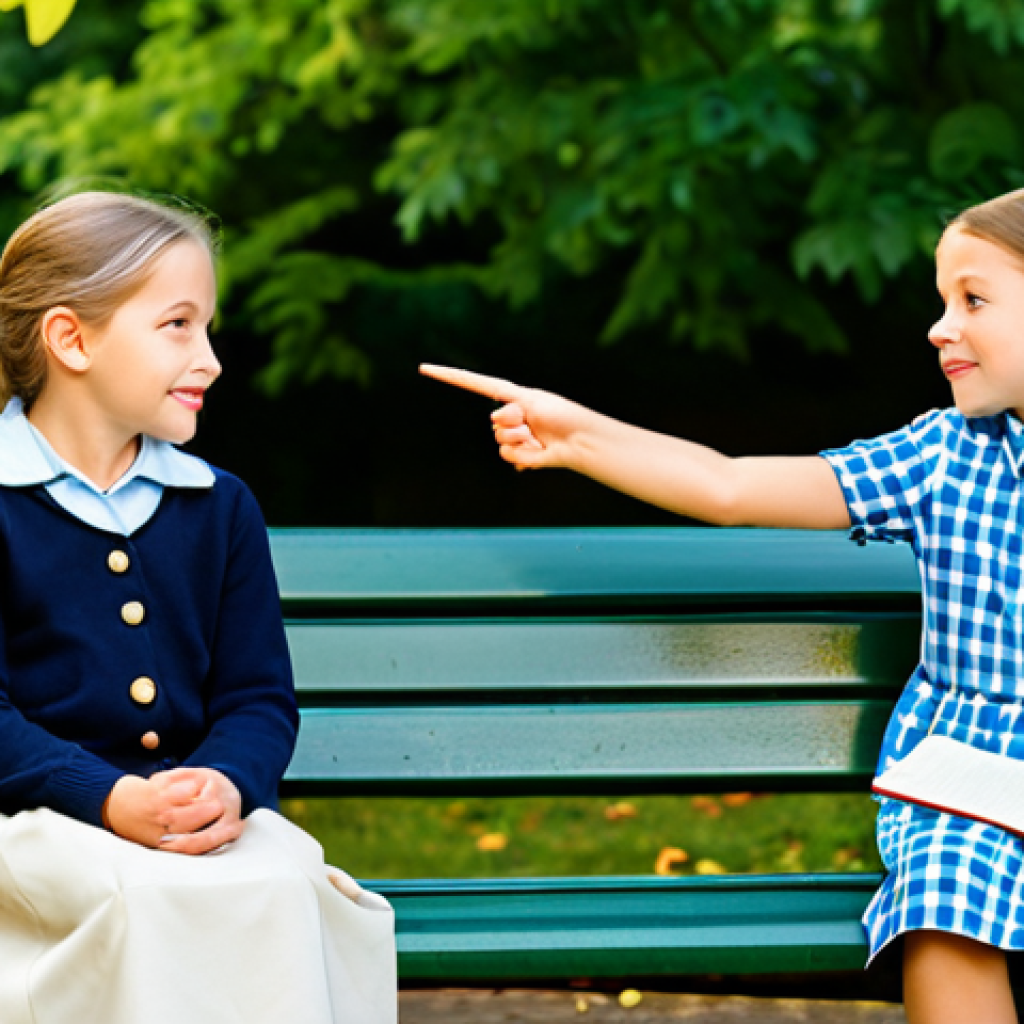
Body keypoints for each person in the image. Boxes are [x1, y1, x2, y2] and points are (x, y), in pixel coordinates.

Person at [421, 188, 1024, 1024]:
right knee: (947, 900)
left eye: (973, 299)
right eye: (941, 300)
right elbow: (730, 485)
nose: (939, 327)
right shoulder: (941, 455)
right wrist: (581, 435)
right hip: (968, 783)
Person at [0, 190, 396, 1024]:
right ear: (71, 339)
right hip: (35, 826)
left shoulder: (220, 507)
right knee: (141, 895)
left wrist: (225, 780)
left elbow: (256, 698)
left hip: (196, 820)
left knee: (287, 880)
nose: (210, 358)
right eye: (178, 325)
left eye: (206, 326)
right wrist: (109, 798)